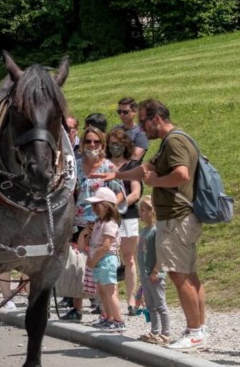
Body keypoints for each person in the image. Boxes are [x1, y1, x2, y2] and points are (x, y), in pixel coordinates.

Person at [95, 98, 206, 350]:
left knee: (179, 275)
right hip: (179, 217)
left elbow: (181, 175)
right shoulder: (171, 141)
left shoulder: (175, 141)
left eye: (143, 121)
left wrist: (155, 181)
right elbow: (144, 168)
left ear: (156, 118)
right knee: (189, 274)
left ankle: (195, 331)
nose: (141, 128)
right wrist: (118, 175)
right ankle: (200, 327)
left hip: (177, 217)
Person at [61, 126, 122, 321]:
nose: (92, 145)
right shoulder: (76, 166)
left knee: (101, 262)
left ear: (102, 144)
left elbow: (120, 192)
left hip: (100, 222)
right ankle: (77, 308)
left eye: (96, 141)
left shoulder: (108, 166)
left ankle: (106, 311)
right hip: (78, 220)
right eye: (88, 141)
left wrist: (108, 212)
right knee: (80, 265)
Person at [106, 127, 143, 315]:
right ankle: (109, 299)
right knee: (109, 258)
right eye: (111, 144)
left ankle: (130, 299)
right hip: (106, 217)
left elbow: (136, 193)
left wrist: (119, 206)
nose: (115, 147)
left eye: (118, 144)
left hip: (128, 215)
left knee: (129, 258)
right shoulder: (104, 165)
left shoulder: (132, 166)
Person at [85, 187, 125, 331]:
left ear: (107, 206)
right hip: (98, 260)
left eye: (97, 205)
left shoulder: (109, 223)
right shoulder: (99, 223)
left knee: (110, 290)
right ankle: (108, 317)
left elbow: (106, 246)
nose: (94, 208)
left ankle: (119, 320)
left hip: (106, 259)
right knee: (102, 291)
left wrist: (94, 259)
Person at [136, 196, 171, 345]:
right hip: (145, 274)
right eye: (140, 210)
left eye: (144, 210)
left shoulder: (157, 230)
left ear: (153, 211)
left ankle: (166, 333)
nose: (141, 214)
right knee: (150, 304)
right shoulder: (144, 231)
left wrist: (156, 270)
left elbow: (163, 252)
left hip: (157, 272)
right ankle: (154, 331)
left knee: (160, 304)